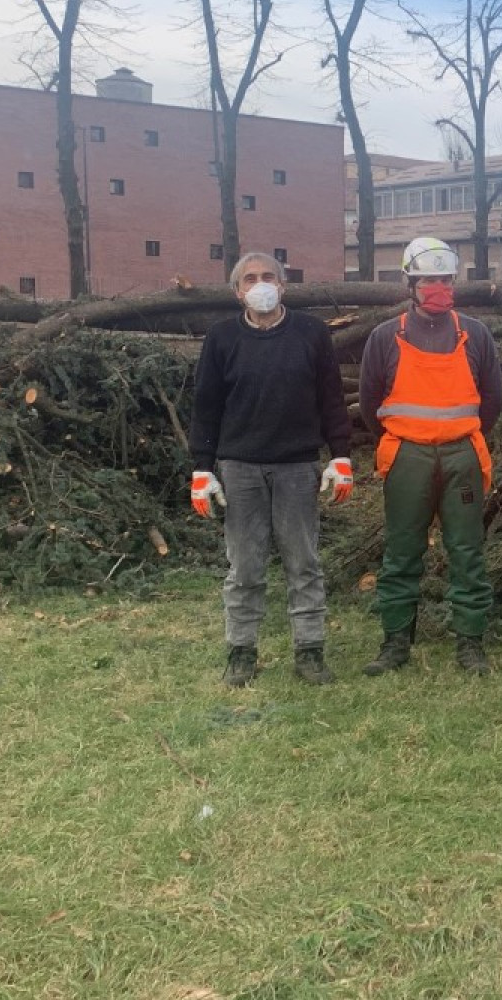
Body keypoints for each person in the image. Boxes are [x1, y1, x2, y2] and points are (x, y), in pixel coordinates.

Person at [189, 252, 353, 687]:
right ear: (237, 291)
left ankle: (310, 651)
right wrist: (202, 468)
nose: (259, 284)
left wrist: (341, 456)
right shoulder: (222, 338)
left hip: (297, 466)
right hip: (240, 467)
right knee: (244, 567)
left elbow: (331, 398)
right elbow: (206, 406)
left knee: (304, 563)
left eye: (268, 276)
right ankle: (241, 652)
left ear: (282, 285)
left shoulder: (311, 333)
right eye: (250, 279)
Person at [356, 237, 502, 675]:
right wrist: (403, 440)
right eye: (428, 281)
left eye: (444, 279)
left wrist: (459, 438)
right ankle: (395, 644)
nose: (438, 288)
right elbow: (369, 403)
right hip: (407, 456)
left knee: (467, 551)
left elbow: (492, 401)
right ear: (410, 284)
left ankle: (471, 644)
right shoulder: (385, 337)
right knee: (402, 552)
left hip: (462, 456)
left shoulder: (475, 334)